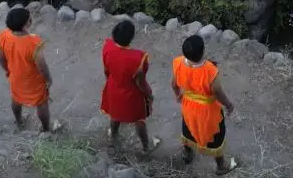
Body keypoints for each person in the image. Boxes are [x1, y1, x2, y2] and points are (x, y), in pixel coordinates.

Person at [171, 35, 238, 173]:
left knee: (188, 129)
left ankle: (188, 154)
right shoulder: (210, 71)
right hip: (208, 111)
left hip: (188, 106)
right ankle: (221, 167)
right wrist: (229, 105)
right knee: (216, 137)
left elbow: (173, 84)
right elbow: (218, 93)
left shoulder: (178, 63)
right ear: (202, 52)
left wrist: (178, 94)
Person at [0, 7, 59, 133]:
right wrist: (48, 79)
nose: (31, 19)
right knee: (41, 103)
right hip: (33, 81)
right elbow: (41, 65)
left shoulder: (4, 35)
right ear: (26, 25)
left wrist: (7, 71)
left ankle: (19, 121)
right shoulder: (34, 42)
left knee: (16, 98)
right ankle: (46, 129)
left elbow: (0, 58)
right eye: (30, 19)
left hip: (15, 77)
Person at [101, 19, 159, 154]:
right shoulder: (138, 58)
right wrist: (149, 94)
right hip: (131, 95)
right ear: (131, 38)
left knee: (114, 115)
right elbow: (140, 83)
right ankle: (145, 146)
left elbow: (106, 70)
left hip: (113, 88)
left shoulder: (107, 47)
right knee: (139, 119)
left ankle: (113, 138)